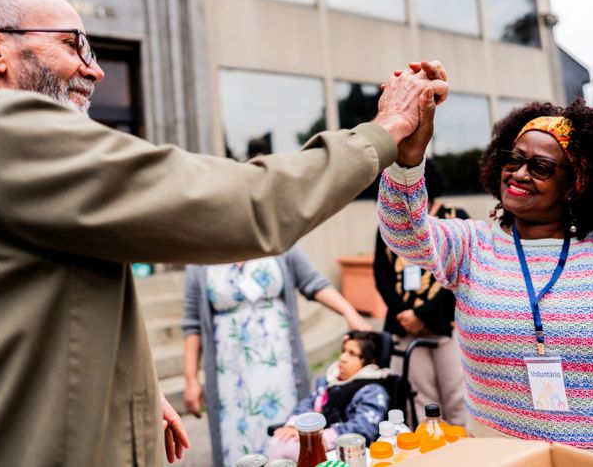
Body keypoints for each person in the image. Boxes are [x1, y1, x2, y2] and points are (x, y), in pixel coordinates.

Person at [0, 0, 448, 467]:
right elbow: (242, 203)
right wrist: (384, 129)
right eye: (73, 44)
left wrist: (126, 389)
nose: (94, 68)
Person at [377, 99, 593, 465]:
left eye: (540, 166)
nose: (519, 173)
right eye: (513, 159)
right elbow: (405, 231)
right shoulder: (473, 246)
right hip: (498, 458)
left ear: (577, 181)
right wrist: (407, 161)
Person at [181, 245, 372, 467]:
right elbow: (192, 322)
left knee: (287, 441)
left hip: (281, 373)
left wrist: (350, 313)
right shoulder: (198, 257)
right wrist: (190, 378)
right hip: (230, 382)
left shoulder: (277, 240)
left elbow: (314, 282)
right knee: (236, 447)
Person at [373, 158, 467, 426]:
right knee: (420, 401)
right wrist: (405, 314)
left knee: (456, 398)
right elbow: (381, 277)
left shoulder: (454, 216)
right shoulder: (388, 225)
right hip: (406, 328)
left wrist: (424, 314)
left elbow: (460, 271)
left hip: (445, 325)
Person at [267, 331, 390, 460]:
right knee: (281, 439)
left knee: (283, 445)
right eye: (344, 351)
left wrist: (325, 438)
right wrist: (294, 426)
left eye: (352, 354)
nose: (342, 358)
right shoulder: (328, 382)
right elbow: (308, 403)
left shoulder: (372, 392)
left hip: (345, 452)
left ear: (370, 362)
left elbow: (364, 426)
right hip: (316, 441)